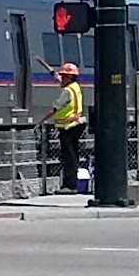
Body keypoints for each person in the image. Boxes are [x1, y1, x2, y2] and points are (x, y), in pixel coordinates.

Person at [45, 61, 87, 192]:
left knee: (68, 156)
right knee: (73, 154)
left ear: (69, 78)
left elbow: (56, 107)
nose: (61, 78)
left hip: (68, 126)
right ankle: (71, 183)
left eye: (64, 76)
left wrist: (42, 120)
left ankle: (69, 185)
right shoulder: (75, 87)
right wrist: (51, 71)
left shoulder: (67, 91)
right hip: (76, 124)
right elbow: (58, 79)